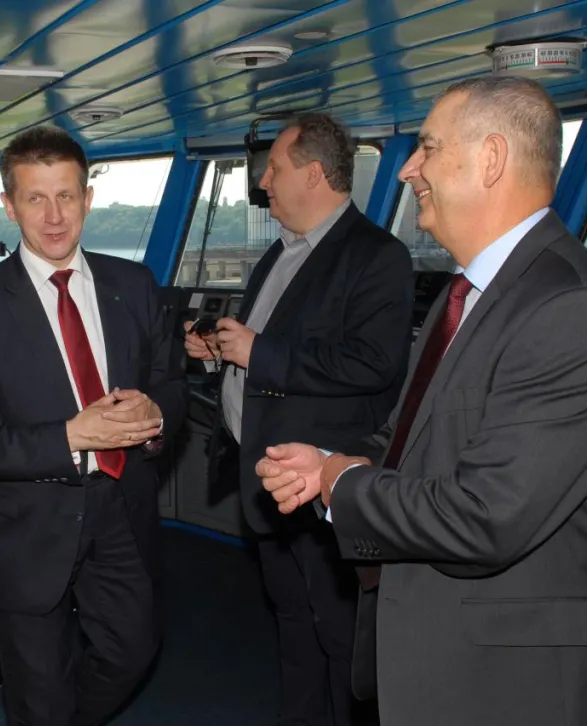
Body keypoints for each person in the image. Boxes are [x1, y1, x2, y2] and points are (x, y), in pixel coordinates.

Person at [258, 76, 587, 726]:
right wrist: (328, 460)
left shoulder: (574, 309)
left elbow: (487, 517)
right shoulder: (465, 297)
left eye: (428, 147)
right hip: (447, 657)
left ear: (491, 159)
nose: (408, 169)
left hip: (526, 685)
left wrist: (342, 483)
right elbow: (406, 439)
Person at [0, 125, 187, 726]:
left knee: (133, 651)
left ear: (87, 199)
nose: (54, 217)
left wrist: (155, 415)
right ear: (9, 205)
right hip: (28, 524)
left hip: (120, 509)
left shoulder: (133, 285)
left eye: (66, 196)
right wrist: (71, 436)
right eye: (35, 198)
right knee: (37, 693)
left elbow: (171, 384)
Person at [184, 113, 411, 726]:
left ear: (313, 174)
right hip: (266, 477)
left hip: (322, 483)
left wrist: (257, 352)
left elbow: (373, 364)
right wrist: (219, 352)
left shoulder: (376, 256)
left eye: (275, 170)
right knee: (292, 624)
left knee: (338, 635)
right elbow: (261, 349)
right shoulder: (280, 253)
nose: (263, 183)